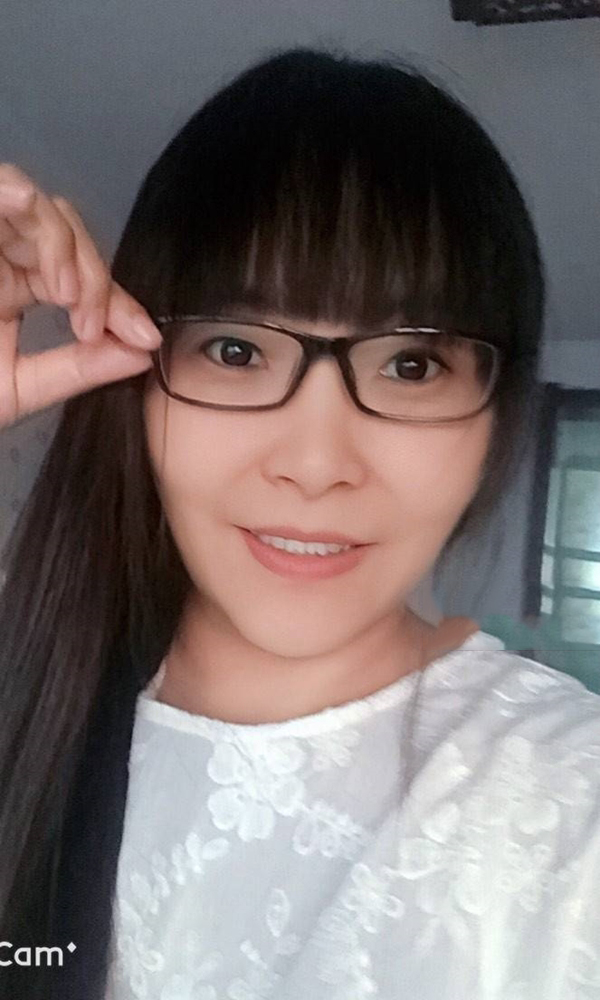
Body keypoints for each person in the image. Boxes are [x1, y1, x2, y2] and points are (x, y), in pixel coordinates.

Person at [0, 46, 598, 1000]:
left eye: (411, 365)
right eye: (236, 349)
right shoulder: (29, 689)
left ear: (499, 415)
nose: (316, 465)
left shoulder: (568, 805)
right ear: (137, 374)